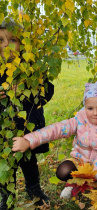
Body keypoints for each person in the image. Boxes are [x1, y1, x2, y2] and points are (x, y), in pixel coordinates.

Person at [12, 80, 97, 200]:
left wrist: (94, 176)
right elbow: (56, 129)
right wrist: (29, 140)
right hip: (80, 161)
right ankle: (74, 183)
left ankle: (89, 185)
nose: (95, 113)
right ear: (85, 107)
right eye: (90, 108)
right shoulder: (80, 119)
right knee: (63, 171)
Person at [0, 18, 54, 208]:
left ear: (22, 43)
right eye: (1, 40)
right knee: (5, 163)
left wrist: (24, 91)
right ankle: (7, 196)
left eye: (12, 40)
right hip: (2, 128)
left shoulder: (31, 66)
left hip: (26, 126)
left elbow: (48, 91)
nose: (6, 45)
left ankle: (34, 189)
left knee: (28, 160)